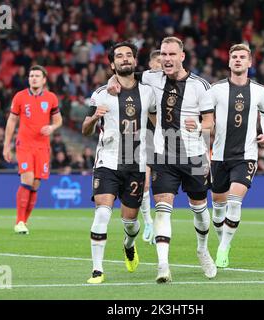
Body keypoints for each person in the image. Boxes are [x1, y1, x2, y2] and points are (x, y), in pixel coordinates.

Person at [108, 36, 216, 283]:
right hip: (163, 155)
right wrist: (112, 84)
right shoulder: (150, 78)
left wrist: (199, 126)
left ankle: (202, 249)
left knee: (199, 209)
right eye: (163, 55)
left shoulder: (201, 86)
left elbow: (210, 121)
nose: (167, 59)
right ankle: (163, 266)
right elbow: (120, 75)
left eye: (171, 55)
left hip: (194, 155)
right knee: (163, 210)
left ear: (182, 56)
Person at [82, 41, 156, 284]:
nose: (125, 59)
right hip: (107, 162)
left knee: (131, 223)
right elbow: (85, 130)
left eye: (128, 55)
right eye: (119, 56)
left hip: (135, 165)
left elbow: (157, 125)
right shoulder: (101, 93)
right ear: (112, 64)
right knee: (102, 213)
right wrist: (94, 117)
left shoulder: (148, 92)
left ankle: (129, 244)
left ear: (134, 61)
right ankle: (97, 270)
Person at [209, 44, 264, 268]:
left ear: (249, 63)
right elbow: (205, 116)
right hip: (218, 156)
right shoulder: (215, 90)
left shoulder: (259, 91)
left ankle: (224, 249)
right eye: (234, 57)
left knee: (234, 203)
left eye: (242, 57)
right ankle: (221, 241)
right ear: (229, 62)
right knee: (218, 207)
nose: (237, 60)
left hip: (246, 155)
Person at [3, 65, 63, 234]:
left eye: (37, 76)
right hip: (25, 145)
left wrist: (52, 128)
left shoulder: (51, 98)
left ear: (44, 80)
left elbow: (58, 120)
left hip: (43, 147)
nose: (33, 78)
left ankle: (24, 223)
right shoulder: (20, 97)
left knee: (35, 185)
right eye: (31, 76)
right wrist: (6, 145)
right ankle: (19, 221)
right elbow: (12, 121)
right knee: (27, 179)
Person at [140, 49, 162, 244]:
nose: (160, 65)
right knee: (145, 182)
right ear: (150, 64)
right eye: (156, 62)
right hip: (146, 136)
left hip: (168, 137)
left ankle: (161, 225)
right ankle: (148, 222)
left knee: (164, 187)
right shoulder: (144, 80)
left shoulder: (172, 83)